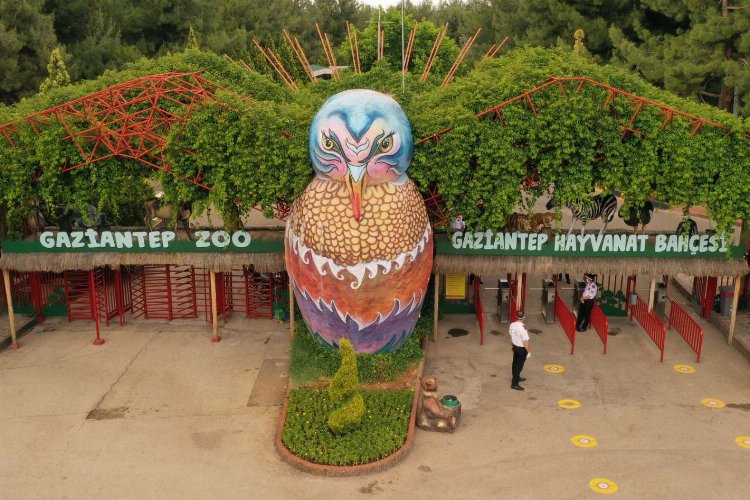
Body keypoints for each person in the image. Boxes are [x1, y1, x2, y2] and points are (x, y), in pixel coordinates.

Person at [509, 311, 531, 391]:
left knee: (515, 363)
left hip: (515, 347)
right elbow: (525, 342)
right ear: (524, 317)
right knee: (519, 366)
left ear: (516, 316)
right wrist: (529, 351)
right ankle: (514, 383)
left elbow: (511, 336)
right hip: (521, 349)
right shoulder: (523, 329)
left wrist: (513, 346)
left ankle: (516, 377)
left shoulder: (512, 325)